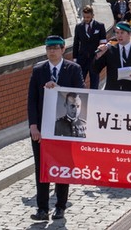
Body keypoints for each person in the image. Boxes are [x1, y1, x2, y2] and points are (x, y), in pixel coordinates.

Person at [26, 35, 85, 221]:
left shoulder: (73, 69)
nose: (51, 51)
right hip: (42, 128)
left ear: (62, 49)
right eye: (48, 48)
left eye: (55, 48)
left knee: (62, 166)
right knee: (42, 167)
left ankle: (60, 206)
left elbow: (80, 95)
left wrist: (59, 89)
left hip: (64, 128)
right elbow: (32, 100)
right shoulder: (38, 70)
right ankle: (42, 208)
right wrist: (33, 126)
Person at [93, 22, 131, 91]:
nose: (119, 36)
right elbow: (95, 70)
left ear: (129, 34)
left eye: (122, 33)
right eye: (117, 33)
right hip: (112, 92)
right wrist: (98, 56)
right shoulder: (110, 50)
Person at [72, 6, 107, 87]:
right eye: (84, 17)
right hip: (82, 59)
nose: (86, 19)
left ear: (92, 15)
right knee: (79, 82)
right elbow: (76, 43)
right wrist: (75, 59)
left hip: (94, 59)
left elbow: (103, 43)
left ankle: (93, 98)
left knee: (94, 83)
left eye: (88, 17)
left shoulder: (100, 26)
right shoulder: (79, 27)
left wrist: (99, 56)